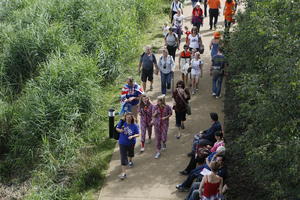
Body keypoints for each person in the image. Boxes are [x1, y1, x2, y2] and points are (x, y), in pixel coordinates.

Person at [116, 112, 140, 180]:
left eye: (130, 117)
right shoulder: (122, 123)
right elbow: (117, 129)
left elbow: (138, 134)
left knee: (130, 154)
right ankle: (124, 173)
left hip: (131, 143)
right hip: (122, 142)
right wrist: (120, 130)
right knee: (123, 157)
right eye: (127, 117)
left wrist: (132, 136)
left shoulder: (135, 125)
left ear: (132, 118)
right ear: (125, 117)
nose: (128, 119)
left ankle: (130, 161)